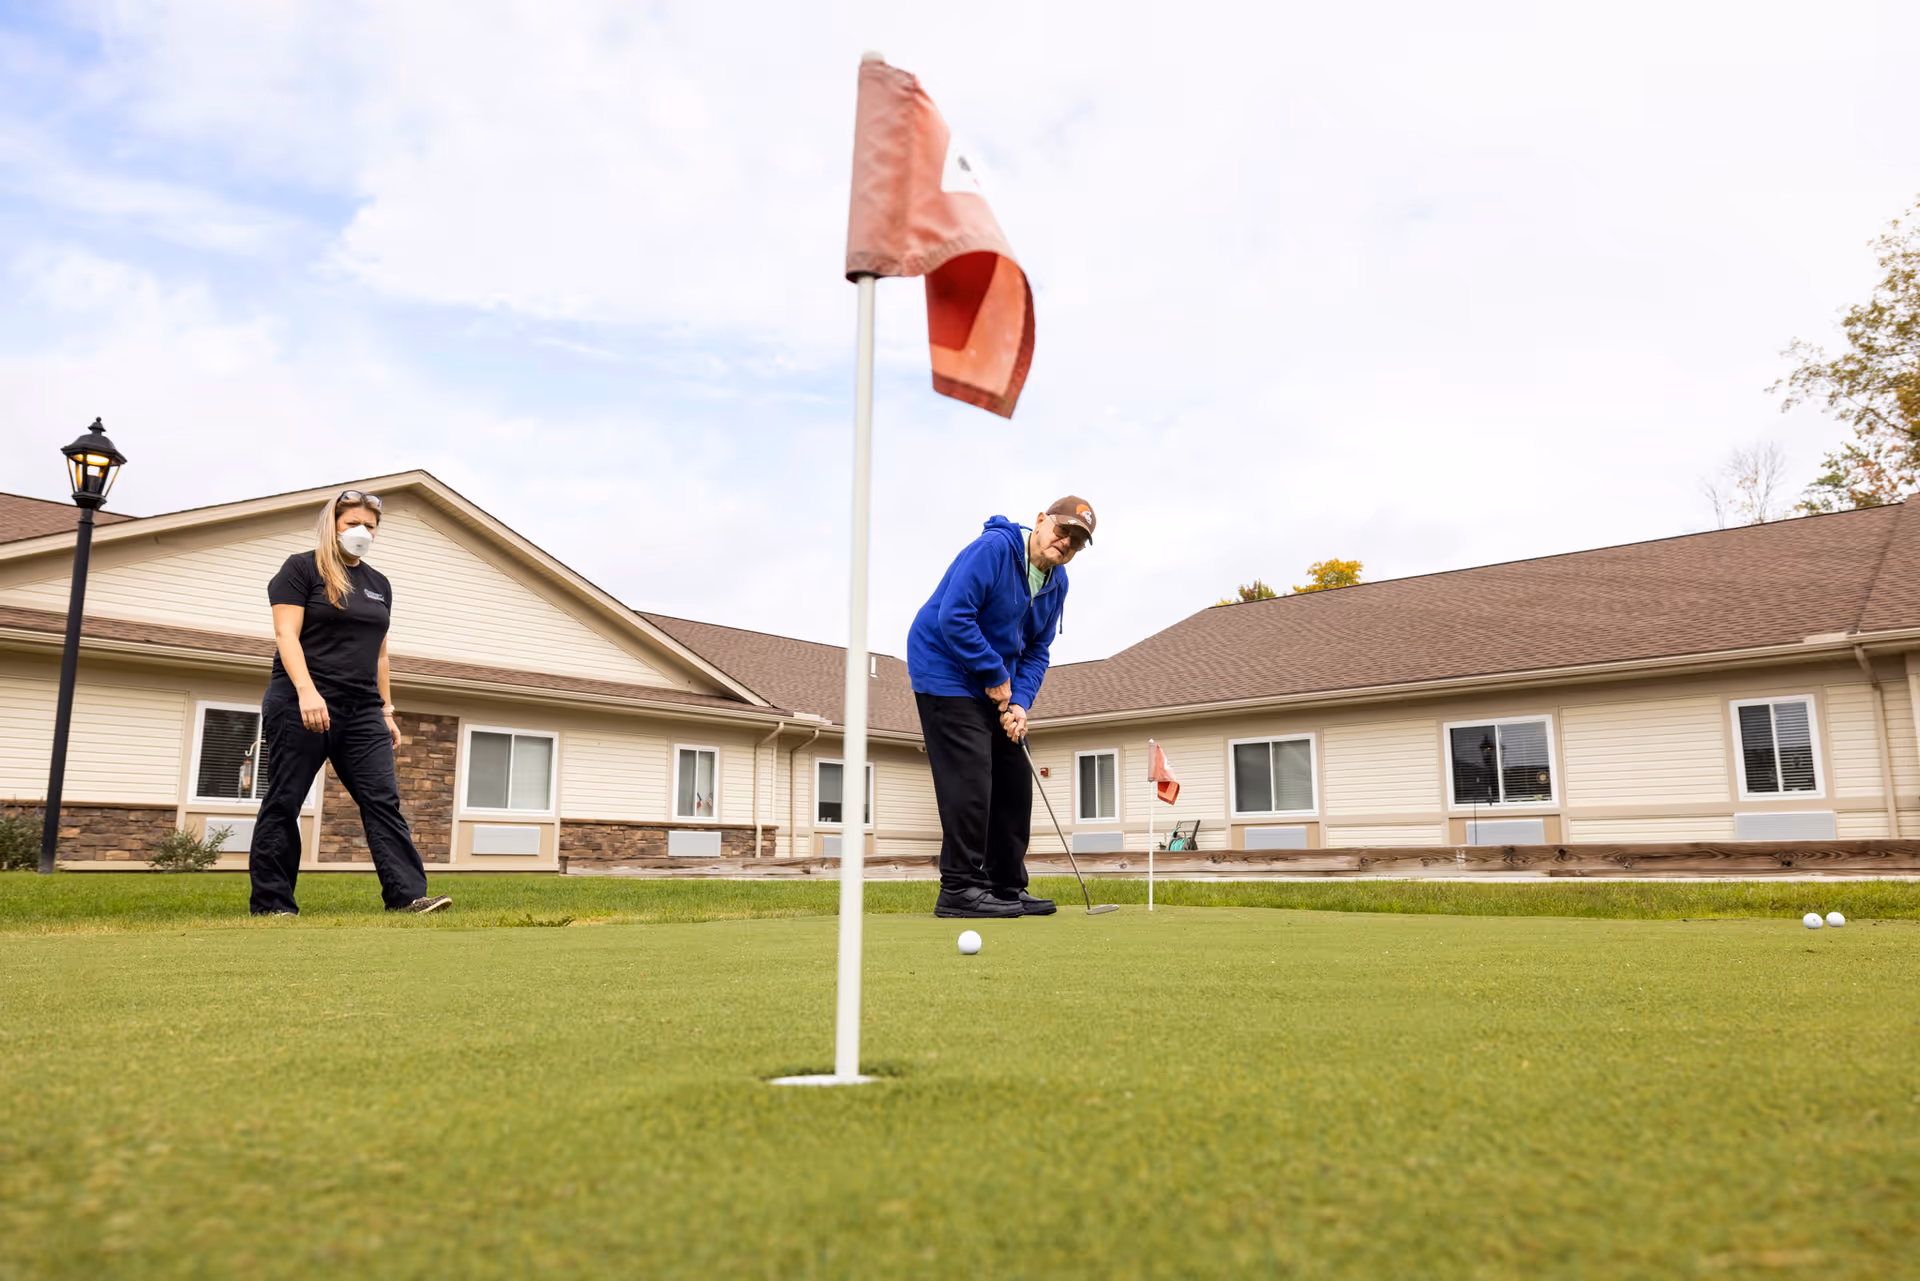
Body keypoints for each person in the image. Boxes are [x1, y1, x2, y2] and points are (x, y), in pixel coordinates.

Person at [247, 490, 451, 916]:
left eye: (370, 526)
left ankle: (407, 897)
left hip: (362, 712)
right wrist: (307, 692)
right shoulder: (301, 569)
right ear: (332, 525)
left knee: (383, 800)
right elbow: (286, 635)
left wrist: (386, 711)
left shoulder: (379, 585)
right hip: (301, 702)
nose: (362, 531)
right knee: (285, 800)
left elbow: (380, 653)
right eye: (351, 523)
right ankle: (273, 904)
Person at [907, 497, 1095, 918]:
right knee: (971, 775)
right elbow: (954, 616)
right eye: (1063, 531)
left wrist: (1021, 703)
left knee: (1014, 776)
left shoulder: (1056, 583)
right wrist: (994, 674)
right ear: (1041, 521)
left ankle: (1005, 885)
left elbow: (1037, 651)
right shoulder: (994, 549)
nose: (1066, 543)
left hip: (997, 683)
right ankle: (959, 887)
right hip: (944, 668)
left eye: (1077, 541)